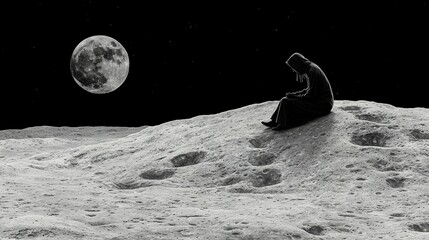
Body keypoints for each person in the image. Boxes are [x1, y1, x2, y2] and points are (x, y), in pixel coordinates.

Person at [262, 52, 334, 131]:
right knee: (284, 100)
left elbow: (310, 95)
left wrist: (295, 97)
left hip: (323, 105)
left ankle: (284, 124)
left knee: (286, 101)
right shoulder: (311, 68)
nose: (294, 70)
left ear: (298, 64)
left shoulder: (313, 71)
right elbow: (309, 89)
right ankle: (275, 121)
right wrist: (295, 94)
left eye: (293, 68)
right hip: (321, 101)